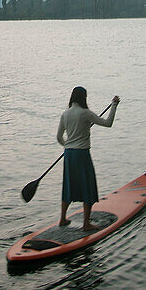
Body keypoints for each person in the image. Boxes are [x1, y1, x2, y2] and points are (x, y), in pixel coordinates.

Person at [57, 87, 120, 232]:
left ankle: (62, 219)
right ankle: (86, 224)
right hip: (82, 154)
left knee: (69, 185)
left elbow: (59, 137)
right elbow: (108, 123)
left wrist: (68, 145)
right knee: (87, 185)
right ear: (83, 98)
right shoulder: (85, 113)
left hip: (69, 154)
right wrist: (114, 105)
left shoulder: (65, 114)